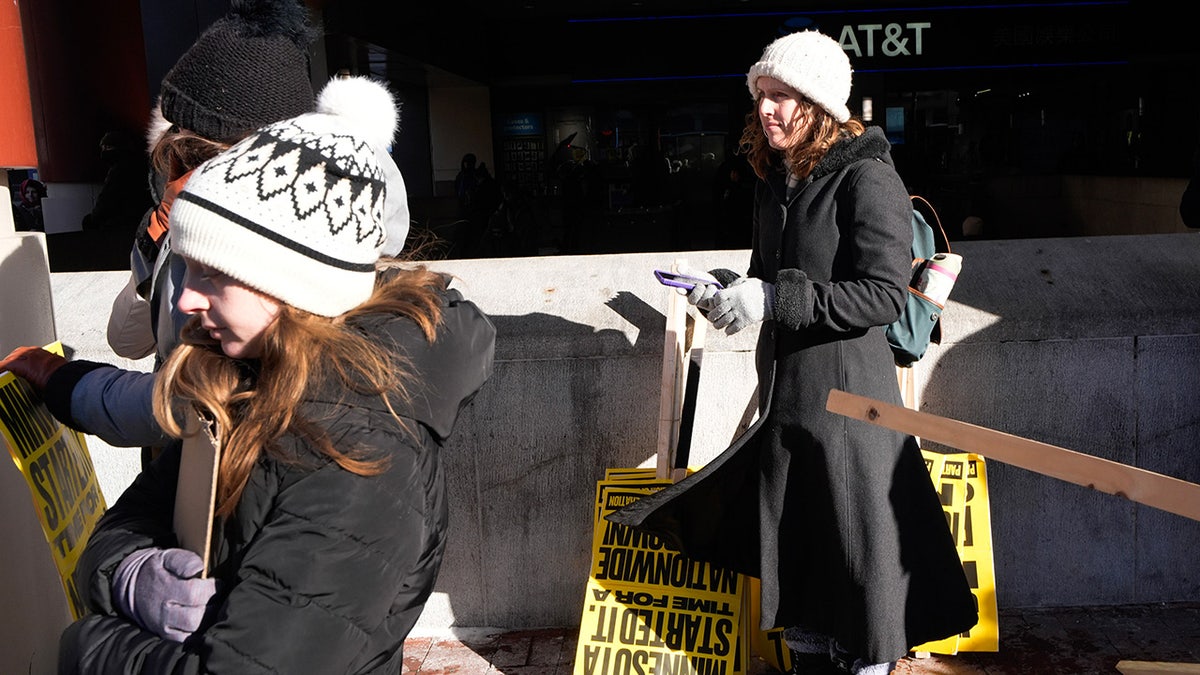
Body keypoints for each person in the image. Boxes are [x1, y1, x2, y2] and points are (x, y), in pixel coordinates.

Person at [30, 75, 494, 673]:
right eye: (186, 269)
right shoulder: (239, 379)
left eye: (212, 274)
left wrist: (87, 647)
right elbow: (130, 517)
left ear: (290, 285)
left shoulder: (358, 455)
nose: (184, 299)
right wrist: (128, 573)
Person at [607, 30, 977, 675]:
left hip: (850, 416)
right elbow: (768, 278)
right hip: (788, 410)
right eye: (761, 95)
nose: (766, 109)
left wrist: (773, 299)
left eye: (782, 96)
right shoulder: (774, 181)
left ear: (819, 103)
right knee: (803, 574)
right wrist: (727, 293)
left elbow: (884, 296)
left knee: (858, 584)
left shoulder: (868, 177)